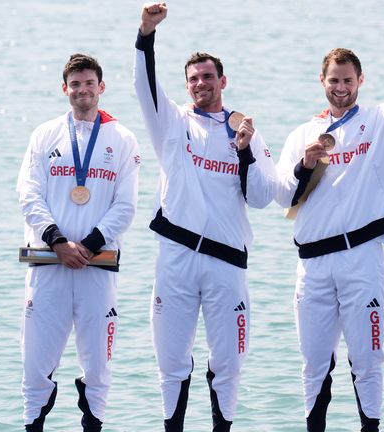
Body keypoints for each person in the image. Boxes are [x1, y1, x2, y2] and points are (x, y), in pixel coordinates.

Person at [274, 8, 384, 432]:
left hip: (361, 258)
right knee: (313, 363)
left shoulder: (380, 123)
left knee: (367, 359)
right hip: (312, 264)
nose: (340, 88)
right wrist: (305, 165)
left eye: (348, 80)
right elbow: (282, 197)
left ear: (360, 82)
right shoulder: (300, 135)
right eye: (333, 80)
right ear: (321, 83)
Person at [133, 3, 277, 431]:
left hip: (226, 262)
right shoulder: (172, 124)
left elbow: (263, 197)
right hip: (176, 258)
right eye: (193, 78)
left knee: (229, 363)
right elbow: (143, 85)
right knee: (172, 362)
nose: (200, 84)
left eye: (208, 77)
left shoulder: (245, 129)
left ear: (223, 81)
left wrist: (246, 149)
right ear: (186, 85)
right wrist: (145, 34)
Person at [17, 53, 141, 431]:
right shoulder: (44, 134)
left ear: (101, 87)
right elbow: (28, 193)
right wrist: (57, 241)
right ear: (64, 89)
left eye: (89, 83)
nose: (82, 90)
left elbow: (127, 204)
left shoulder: (121, 138)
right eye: (75, 84)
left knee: (99, 367)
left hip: (96, 266)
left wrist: (86, 245)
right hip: (49, 264)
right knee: (35, 365)